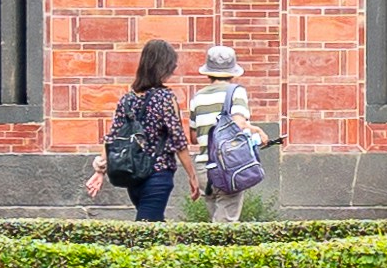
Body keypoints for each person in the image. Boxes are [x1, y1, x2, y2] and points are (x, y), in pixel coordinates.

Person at [93, 38, 186, 223]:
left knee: (152, 226)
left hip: (133, 176)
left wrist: (100, 170)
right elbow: (179, 141)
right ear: (164, 67)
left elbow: (112, 138)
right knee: (146, 231)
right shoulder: (165, 98)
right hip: (158, 174)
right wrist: (192, 176)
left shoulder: (127, 99)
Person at [183, 42, 267, 223]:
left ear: (208, 72)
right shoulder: (236, 92)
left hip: (204, 168)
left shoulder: (197, 97)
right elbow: (238, 125)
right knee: (225, 225)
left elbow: (193, 137)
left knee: (216, 220)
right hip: (228, 166)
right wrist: (257, 130)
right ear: (232, 72)